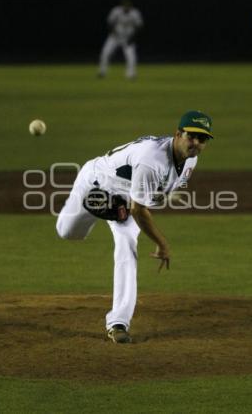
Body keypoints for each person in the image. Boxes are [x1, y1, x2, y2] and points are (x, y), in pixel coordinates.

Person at [56, 110, 213, 343]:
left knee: (127, 248)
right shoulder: (152, 159)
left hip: (128, 197)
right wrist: (162, 244)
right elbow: (140, 210)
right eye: (192, 136)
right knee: (68, 232)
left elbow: (149, 197)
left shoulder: (191, 159)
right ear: (178, 134)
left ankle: (118, 322)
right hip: (96, 182)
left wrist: (157, 198)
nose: (197, 143)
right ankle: (101, 205)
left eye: (203, 139)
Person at [98, 0, 143, 79]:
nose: (126, 6)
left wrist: (132, 38)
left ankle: (131, 74)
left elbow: (139, 26)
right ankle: (102, 72)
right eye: (125, 4)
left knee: (131, 57)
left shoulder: (135, 13)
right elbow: (110, 22)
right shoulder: (116, 11)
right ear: (122, 5)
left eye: (128, 4)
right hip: (115, 37)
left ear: (131, 5)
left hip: (128, 37)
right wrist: (113, 32)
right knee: (105, 53)